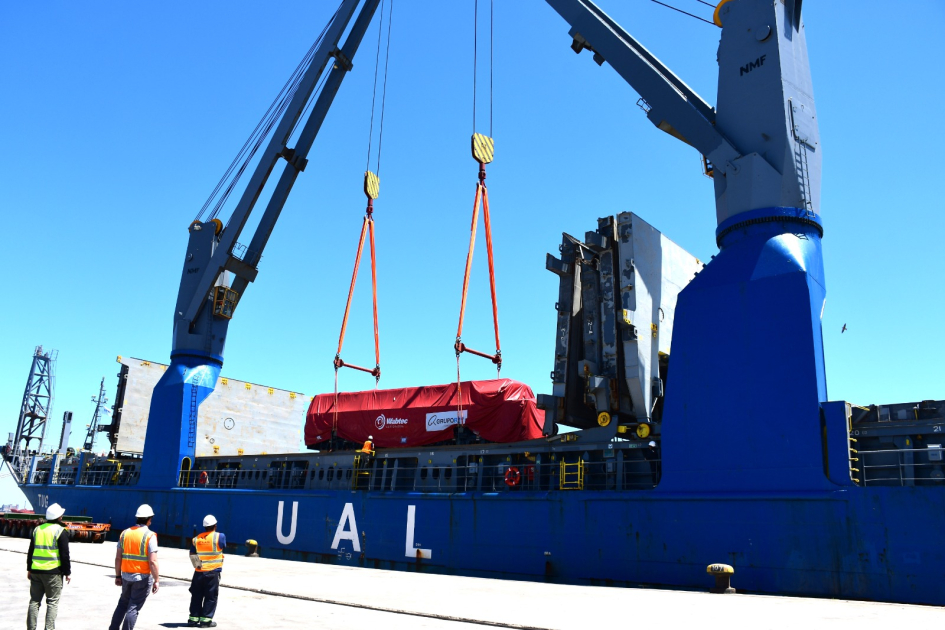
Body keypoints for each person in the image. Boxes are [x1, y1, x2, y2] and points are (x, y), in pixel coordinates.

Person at [109, 504, 160, 630]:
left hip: (126, 577)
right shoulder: (150, 535)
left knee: (122, 604)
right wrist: (157, 580)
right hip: (142, 578)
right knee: (133, 608)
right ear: (149, 519)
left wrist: (118, 575)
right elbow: (153, 561)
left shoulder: (124, 533)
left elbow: (118, 558)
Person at [26, 503, 71, 630]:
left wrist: (29, 569)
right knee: (52, 603)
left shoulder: (37, 530)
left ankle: (31, 628)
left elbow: (31, 551)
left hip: (36, 571)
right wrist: (67, 572)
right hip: (53, 572)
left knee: (34, 601)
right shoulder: (60, 531)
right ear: (59, 517)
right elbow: (64, 554)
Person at [188, 514, 225, 628]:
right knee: (210, 596)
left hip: (199, 573)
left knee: (196, 595)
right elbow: (222, 546)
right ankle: (205, 621)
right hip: (212, 573)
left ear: (204, 526)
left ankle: (193, 619)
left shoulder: (196, 539)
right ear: (215, 526)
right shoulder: (220, 537)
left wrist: (198, 566)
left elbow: (192, 553)